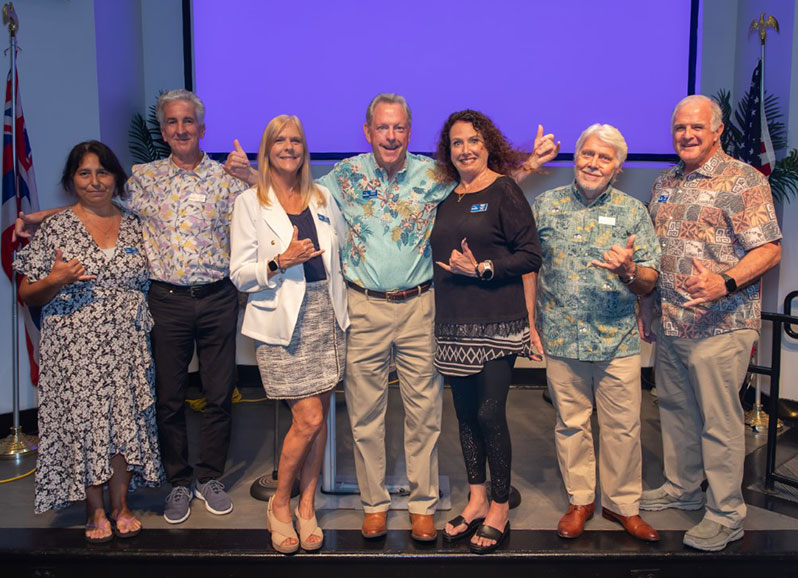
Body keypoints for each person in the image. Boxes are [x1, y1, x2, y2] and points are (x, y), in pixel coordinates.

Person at [225, 93, 558, 541]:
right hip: (364, 307)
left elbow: (482, 183)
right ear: (368, 133)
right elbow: (293, 192)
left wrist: (529, 166)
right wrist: (250, 174)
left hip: (421, 307)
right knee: (365, 414)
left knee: (424, 412)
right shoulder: (343, 177)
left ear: (409, 132)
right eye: (383, 128)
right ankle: (374, 504)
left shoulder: (433, 174)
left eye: (399, 128)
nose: (391, 136)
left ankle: (422, 505)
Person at [15, 90, 249, 524]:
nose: (181, 129)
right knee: (169, 398)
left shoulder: (227, 180)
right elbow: (95, 203)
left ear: (202, 128)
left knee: (218, 395)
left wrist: (251, 176)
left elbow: (267, 210)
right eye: (172, 123)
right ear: (163, 131)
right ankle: (178, 482)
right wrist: (39, 217)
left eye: (188, 122)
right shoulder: (142, 178)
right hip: (167, 300)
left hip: (218, 297)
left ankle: (210, 477)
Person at [638, 95, 781, 552]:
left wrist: (726, 281)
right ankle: (681, 486)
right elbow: (654, 250)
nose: (687, 134)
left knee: (719, 423)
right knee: (675, 412)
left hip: (722, 324)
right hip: (672, 322)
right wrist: (647, 306)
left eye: (697, 127)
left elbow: (770, 248)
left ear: (717, 130)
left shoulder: (743, 180)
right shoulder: (665, 182)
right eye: (680, 127)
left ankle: (725, 514)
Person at [14, 141, 163, 542]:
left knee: (123, 423)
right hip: (74, 346)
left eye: (103, 172)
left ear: (116, 178)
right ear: (71, 180)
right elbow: (27, 293)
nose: (95, 181)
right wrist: (55, 280)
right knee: (86, 425)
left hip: (128, 344)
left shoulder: (136, 223)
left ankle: (121, 504)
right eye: (85, 173)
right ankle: (94, 509)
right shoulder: (56, 229)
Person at [532, 124, 661, 542]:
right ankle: (580, 501)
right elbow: (529, 268)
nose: (593, 163)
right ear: (575, 156)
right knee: (571, 424)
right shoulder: (546, 205)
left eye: (604, 157)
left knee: (623, 426)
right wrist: (530, 324)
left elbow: (650, 278)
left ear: (617, 167)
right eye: (587, 154)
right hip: (561, 336)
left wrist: (628, 270)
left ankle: (623, 506)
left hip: (618, 339)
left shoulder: (632, 211)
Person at [229, 115, 349, 553]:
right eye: (280, 140)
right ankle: (281, 502)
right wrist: (281, 260)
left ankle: (307, 507)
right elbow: (240, 275)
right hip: (282, 322)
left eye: (296, 140)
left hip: (326, 316)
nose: (289, 147)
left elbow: (339, 256)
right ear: (267, 148)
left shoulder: (321, 196)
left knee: (319, 423)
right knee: (309, 418)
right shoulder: (249, 203)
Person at [430, 110, 542, 553]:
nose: (466, 149)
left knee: (490, 414)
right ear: (448, 151)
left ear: (488, 144)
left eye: (474, 140)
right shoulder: (448, 197)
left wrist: (484, 268)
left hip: (498, 323)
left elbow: (531, 254)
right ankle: (476, 498)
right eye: (457, 143)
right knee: (464, 417)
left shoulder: (504, 190)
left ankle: (500, 503)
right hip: (453, 325)